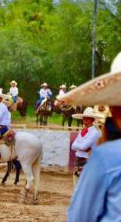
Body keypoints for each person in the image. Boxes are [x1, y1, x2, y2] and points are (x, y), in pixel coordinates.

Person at [58, 51, 121, 221]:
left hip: (85, 160)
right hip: (81, 158)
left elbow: (79, 216)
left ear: (113, 109)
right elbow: (77, 145)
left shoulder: (106, 154)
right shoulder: (89, 133)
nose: (85, 120)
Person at [70, 107, 103, 186]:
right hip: (79, 160)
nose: (85, 121)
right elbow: (73, 146)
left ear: (92, 120)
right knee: (76, 184)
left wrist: (79, 146)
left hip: (88, 161)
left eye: (87, 119)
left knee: (85, 186)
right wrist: (81, 146)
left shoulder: (95, 132)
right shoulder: (83, 131)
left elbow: (82, 147)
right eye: (84, 119)